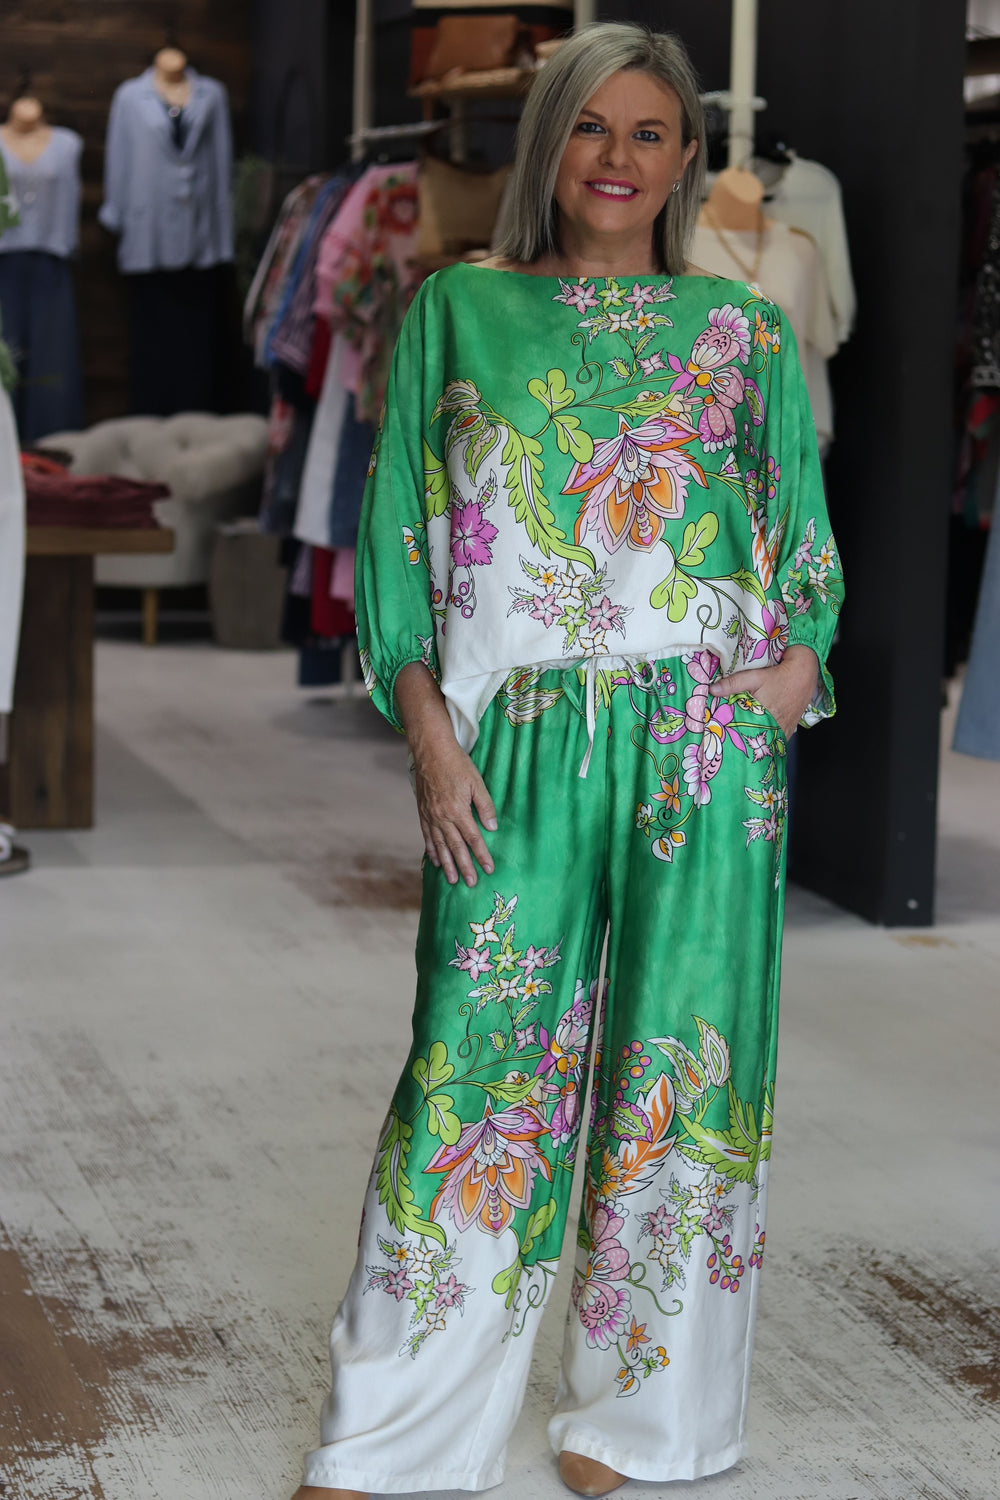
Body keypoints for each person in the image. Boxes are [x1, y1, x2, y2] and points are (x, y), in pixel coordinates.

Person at [291, 22, 843, 1500]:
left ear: (685, 157)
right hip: (517, 741)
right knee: (473, 1065)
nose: (617, 157)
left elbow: (801, 545)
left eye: (649, 132)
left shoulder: (743, 333)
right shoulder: (460, 309)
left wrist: (796, 668)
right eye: (590, 126)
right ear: (548, 144)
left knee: (683, 1065)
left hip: (704, 750)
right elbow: (400, 547)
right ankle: (394, 1432)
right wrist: (428, 737)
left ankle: (640, 1421)